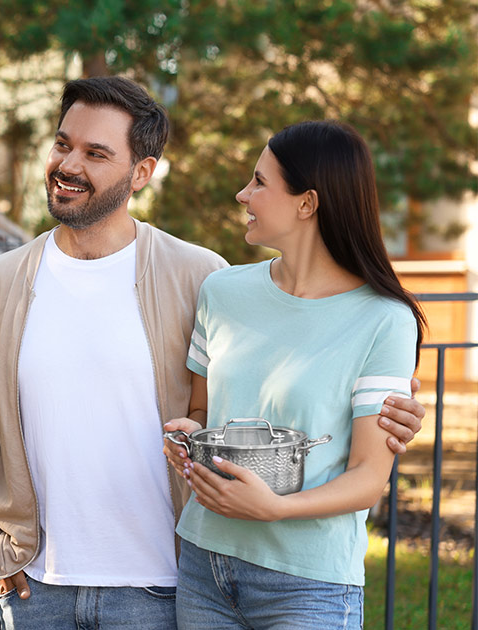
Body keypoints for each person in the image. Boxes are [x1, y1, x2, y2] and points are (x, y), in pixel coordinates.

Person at [0, 77, 427, 630]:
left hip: (165, 584)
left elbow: (288, 381)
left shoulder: (198, 275)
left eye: (96, 153)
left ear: (141, 172)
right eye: (62, 145)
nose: (68, 164)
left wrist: (388, 414)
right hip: (40, 591)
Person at [162, 121, 423, 629]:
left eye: (259, 182)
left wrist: (275, 509)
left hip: (308, 585)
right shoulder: (222, 292)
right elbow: (201, 413)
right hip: (204, 566)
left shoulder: (384, 320)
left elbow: (369, 479)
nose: (243, 194)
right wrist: (188, 439)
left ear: (307, 203)